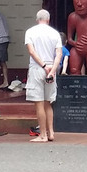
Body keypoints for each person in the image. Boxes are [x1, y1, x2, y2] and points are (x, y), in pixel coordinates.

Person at [25, 9, 63, 143]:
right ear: (48, 19)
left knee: (39, 103)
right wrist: (52, 70)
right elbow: (59, 53)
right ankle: (51, 132)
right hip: (51, 67)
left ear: (37, 19)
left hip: (37, 68)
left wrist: (42, 66)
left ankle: (42, 134)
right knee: (48, 103)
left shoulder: (30, 32)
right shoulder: (55, 33)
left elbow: (31, 51)